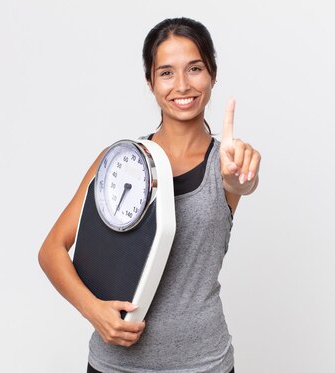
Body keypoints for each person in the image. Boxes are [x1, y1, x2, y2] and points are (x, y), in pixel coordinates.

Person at [38, 17, 261, 373]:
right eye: (167, 73)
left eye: (195, 68)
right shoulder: (118, 162)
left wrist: (244, 177)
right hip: (116, 365)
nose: (183, 85)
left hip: (204, 364)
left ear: (212, 75)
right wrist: (93, 310)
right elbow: (51, 250)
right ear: (150, 81)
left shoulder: (226, 165)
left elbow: (241, 184)